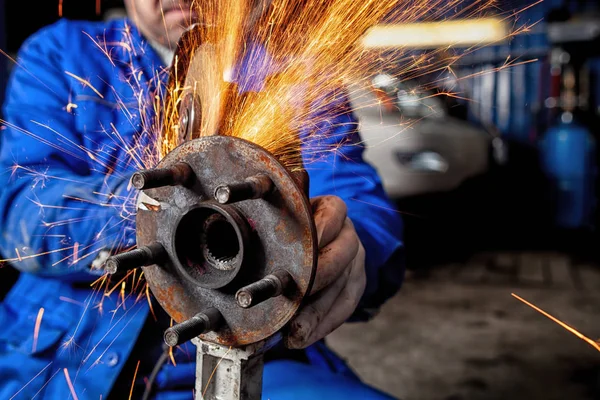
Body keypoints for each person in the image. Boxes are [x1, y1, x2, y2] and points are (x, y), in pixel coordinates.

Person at [0, 0, 404, 398]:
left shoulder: (296, 75)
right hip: (68, 357)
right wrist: (161, 205)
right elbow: (22, 213)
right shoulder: (63, 54)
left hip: (259, 352)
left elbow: (358, 202)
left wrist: (347, 248)